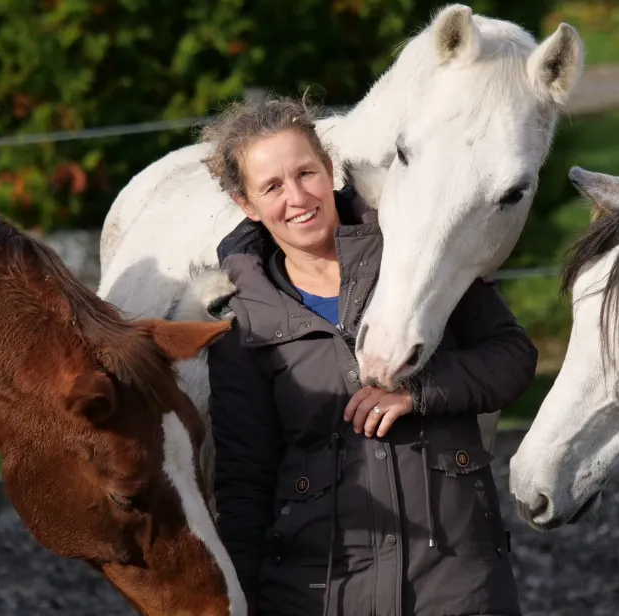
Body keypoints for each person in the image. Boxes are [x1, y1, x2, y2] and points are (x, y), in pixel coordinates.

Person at [201, 97, 537, 616]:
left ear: (330, 169)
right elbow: (246, 484)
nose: (297, 197)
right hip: (320, 594)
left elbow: (512, 358)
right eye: (271, 187)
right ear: (246, 204)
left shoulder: (416, 257)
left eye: (306, 172)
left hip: (456, 583)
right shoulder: (243, 328)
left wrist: (419, 391)